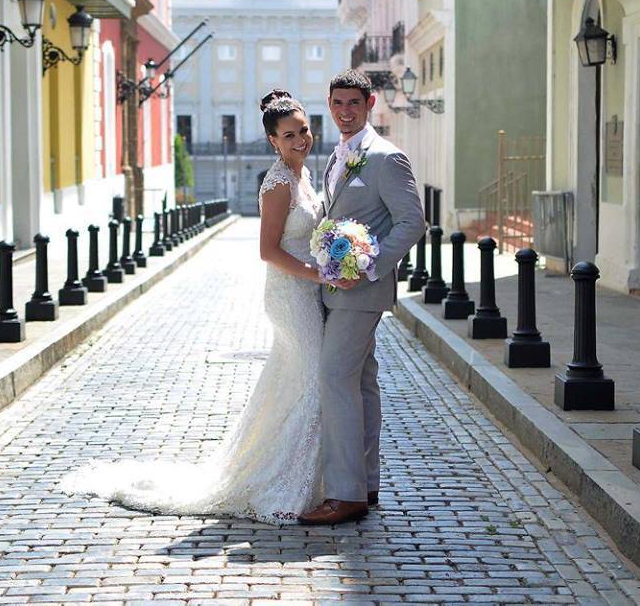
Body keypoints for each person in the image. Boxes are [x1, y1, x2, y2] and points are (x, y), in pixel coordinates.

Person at [60, 89, 327, 524]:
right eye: (290, 135)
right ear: (273, 141)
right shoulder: (278, 183)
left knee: (295, 381)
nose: (301, 139)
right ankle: (283, 482)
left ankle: (303, 476)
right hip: (289, 295)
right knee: (310, 378)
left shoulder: (304, 176)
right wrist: (316, 273)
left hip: (306, 292)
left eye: (304, 130)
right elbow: (268, 251)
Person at [298, 69, 426, 526]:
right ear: (329, 105)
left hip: (362, 291)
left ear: (371, 103)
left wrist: (367, 265)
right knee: (361, 384)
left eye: (354, 103)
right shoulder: (339, 155)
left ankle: (345, 493)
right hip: (337, 290)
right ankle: (365, 484)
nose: (345, 111)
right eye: (338, 104)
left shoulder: (386, 158)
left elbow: (412, 222)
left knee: (334, 378)